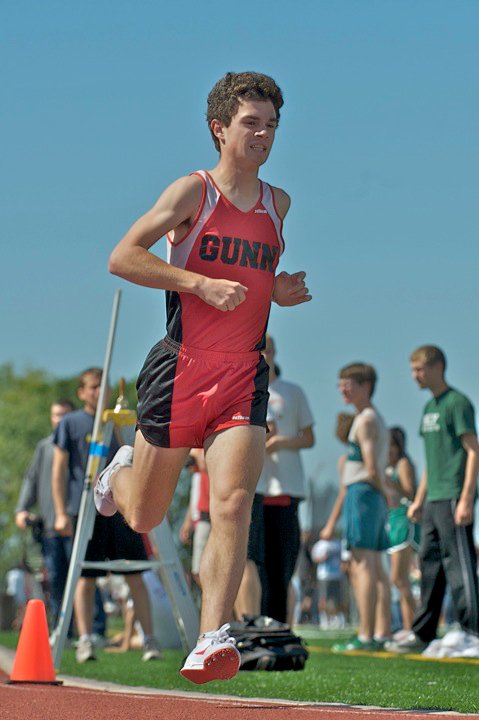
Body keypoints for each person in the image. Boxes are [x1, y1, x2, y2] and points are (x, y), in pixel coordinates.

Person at [94, 71, 311, 684]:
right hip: (179, 367)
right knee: (143, 515)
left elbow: (257, 277)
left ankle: (212, 634)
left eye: (272, 124)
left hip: (244, 372)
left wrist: (280, 290)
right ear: (220, 129)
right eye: (252, 123)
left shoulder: (278, 204)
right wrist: (195, 283)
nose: (264, 134)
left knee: (235, 499)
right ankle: (121, 471)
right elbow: (123, 256)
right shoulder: (193, 193)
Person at [52, 367, 160, 663]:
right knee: (85, 577)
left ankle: (149, 639)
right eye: (93, 387)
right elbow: (59, 469)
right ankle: (85, 639)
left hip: (121, 508)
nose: (100, 392)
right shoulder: (71, 423)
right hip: (85, 509)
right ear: (82, 392)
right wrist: (61, 512)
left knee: (136, 572)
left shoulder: (122, 419)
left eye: (104, 386)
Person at [388, 345, 479, 653]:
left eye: (419, 369)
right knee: (429, 565)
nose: (414, 376)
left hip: (454, 496)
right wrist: (418, 501)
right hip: (432, 500)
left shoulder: (458, 403)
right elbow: (430, 460)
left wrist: (466, 497)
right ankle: (423, 633)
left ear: (437, 366)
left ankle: (472, 631)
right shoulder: (429, 409)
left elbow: (473, 450)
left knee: (460, 565)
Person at [235, 334, 315, 624]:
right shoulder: (242, 390)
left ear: (275, 352)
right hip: (253, 487)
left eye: (267, 351)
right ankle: (253, 623)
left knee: (282, 563)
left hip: (285, 486)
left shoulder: (292, 392)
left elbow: (309, 438)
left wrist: (280, 441)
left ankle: (281, 625)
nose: (263, 356)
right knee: (253, 561)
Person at [332, 363, 391, 652]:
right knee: (376, 565)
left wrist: (386, 493)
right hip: (372, 496)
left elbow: (370, 468)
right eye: (340, 383)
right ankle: (380, 631)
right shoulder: (372, 417)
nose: (343, 389)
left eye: (348, 383)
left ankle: (366, 634)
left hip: (364, 493)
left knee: (363, 563)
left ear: (365, 386)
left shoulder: (365, 420)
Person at [15, 399, 75, 626]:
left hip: (77, 524)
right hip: (50, 526)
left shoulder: (82, 444)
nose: (60, 420)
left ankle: (93, 630)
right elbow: (31, 478)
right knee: (56, 579)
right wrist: (22, 508)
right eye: (56, 415)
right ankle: (63, 630)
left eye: (65, 415)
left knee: (82, 579)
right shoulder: (45, 447)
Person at [385, 427, 419, 636]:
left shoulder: (403, 464)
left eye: (390, 445)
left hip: (405, 522)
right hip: (393, 521)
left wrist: (393, 484)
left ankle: (412, 627)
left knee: (400, 578)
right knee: (398, 579)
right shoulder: (388, 467)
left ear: (398, 446)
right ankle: (409, 626)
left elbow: (410, 492)